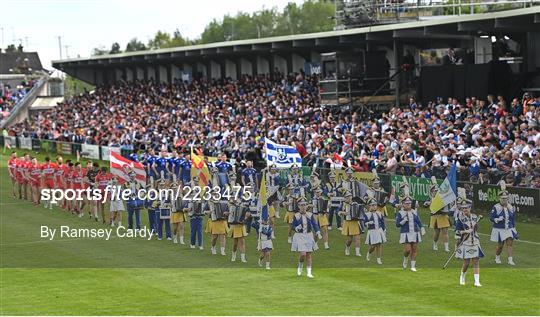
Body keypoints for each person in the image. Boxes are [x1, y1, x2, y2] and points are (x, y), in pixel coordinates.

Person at [455, 198, 484, 287]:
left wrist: (475, 226)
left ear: (470, 208)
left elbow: (476, 229)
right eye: (463, 208)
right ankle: (462, 276)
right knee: (466, 263)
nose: (465, 210)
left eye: (466, 208)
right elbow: (457, 231)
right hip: (465, 242)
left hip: (475, 241)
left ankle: (477, 281)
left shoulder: (475, 217)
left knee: (476, 261)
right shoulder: (460, 218)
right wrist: (465, 232)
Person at [291, 196, 322, 278]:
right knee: (303, 254)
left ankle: (309, 272)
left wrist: (318, 232)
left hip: (309, 235)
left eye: (304, 205)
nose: (303, 207)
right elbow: (293, 226)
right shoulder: (296, 216)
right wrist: (297, 228)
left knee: (308, 254)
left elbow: (315, 224)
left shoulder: (310, 215)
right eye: (301, 205)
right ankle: (300, 267)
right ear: (298, 206)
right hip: (300, 236)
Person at [490, 181, 518, 265]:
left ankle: (510, 260)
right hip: (500, 229)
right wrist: (497, 219)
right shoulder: (496, 207)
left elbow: (513, 218)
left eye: (505, 198)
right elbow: (491, 218)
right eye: (503, 198)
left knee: (510, 244)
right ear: (499, 198)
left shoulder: (510, 206)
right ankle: (497, 257)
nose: (504, 200)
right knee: (500, 246)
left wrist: (514, 228)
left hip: (509, 228)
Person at [396, 196, 425, 272]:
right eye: (406, 203)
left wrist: (422, 228)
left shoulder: (414, 211)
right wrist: (403, 221)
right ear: (403, 204)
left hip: (415, 232)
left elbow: (418, 221)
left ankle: (413, 266)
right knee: (408, 250)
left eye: (409, 203)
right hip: (406, 233)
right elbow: (397, 224)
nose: (408, 204)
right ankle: (405, 259)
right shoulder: (400, 213)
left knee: (414, 249)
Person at [428, 176, 451, 252]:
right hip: (436, 216)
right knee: (437, 233)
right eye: (434, 191)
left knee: (445, 231)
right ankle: (435, 244)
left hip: (443, 215)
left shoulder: (443, 197)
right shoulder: (432, 198)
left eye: (436, 191)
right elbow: (432, 208)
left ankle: (446, 247)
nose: (435, 192)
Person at [363, 194, 387, 264]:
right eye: (372, 205)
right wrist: (368, 223)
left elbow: (382, 222)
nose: (374, 207)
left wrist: (384, 230)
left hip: (379, 230)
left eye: (375, 205)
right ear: (369, 206)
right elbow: (364, 223)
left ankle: (378, 259)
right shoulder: (367, 214)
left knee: (379, 244)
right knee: (373, 246)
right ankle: (369, 253)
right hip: (372, 231)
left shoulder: (379, 213)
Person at [339, 191, 363, 257]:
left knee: (357, 237)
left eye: (350, 196)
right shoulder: (343, 204)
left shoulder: (355, 203)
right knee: (349, 240)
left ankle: (357, 252)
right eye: (347, 197)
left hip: (355, 222)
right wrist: (343, 213)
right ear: (344, 198)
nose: (349, 198)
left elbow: (360, 211)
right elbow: (338, 212)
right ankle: (347, 248)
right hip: (347, 222)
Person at [228, 196, 249, 262]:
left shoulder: (245, 207)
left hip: (241, 226)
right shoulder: (232, 207)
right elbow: (230, 216)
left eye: (238, 201)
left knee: (242, 242)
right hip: (234, 226)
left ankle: (243, 257)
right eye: (236, 201)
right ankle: (233, 255)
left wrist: (245, 218)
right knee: (235, 243)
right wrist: (229, 214)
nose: (237, 202)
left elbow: (248, 215)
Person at [171, 175, 187, 244]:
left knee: (181, 226)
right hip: (174, 212)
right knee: (175, 228)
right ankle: (175, 237)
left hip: (181, 212)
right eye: (174, 188)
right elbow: (166, 202)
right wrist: (169, 205)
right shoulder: (170, 196)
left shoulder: (181, 195)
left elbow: (185, 202)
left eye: (176, 188)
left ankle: (181, 240)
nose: (175, 189)